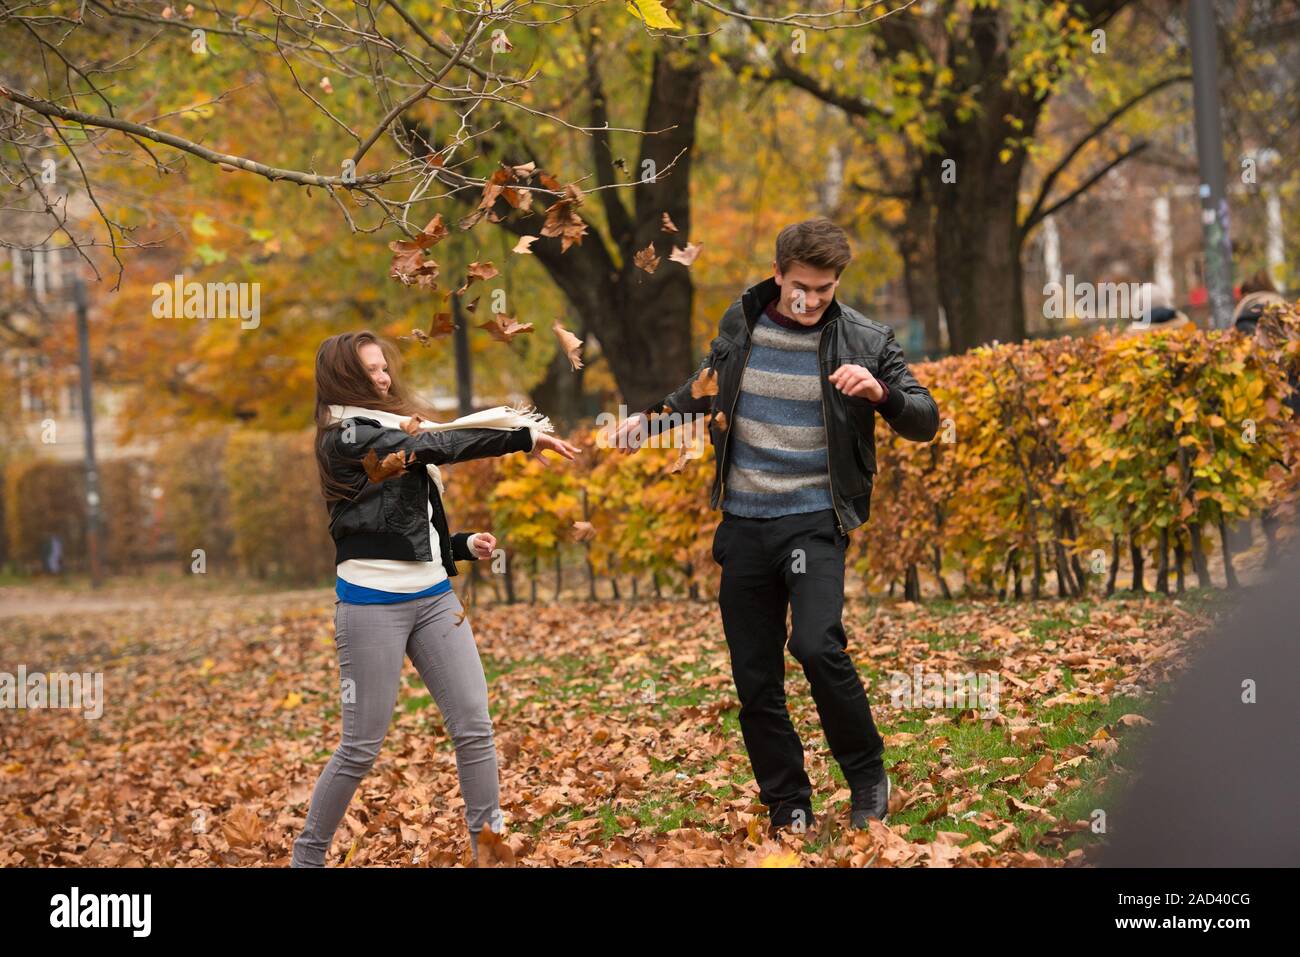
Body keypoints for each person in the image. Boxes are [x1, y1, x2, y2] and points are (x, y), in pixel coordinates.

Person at [609, 218, 939, 833]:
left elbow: (925, 418)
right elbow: (707, 387)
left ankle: (867, 775)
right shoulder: (741, 323)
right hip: (745, 523)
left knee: (816, 645)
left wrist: (880, 395)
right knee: (755, 679)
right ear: (778, 272)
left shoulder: (866, 340)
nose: (812, 300)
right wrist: (651, 419)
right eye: (802, 287)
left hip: (813, 521)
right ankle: (787, 801)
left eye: (826, 288)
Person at [291, 330, 580, 867]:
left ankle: (489, 853)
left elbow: (400, 526)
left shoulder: (389, 430)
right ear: (343, 378)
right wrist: (519, 437)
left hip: (434, 599)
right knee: (360, 748)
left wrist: (460, 546)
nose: (383, 377)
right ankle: (306, 858)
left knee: (474, 726)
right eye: (370, 371)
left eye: (383, 367)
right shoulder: (347, 437)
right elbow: (430, 447)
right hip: (370, 604)